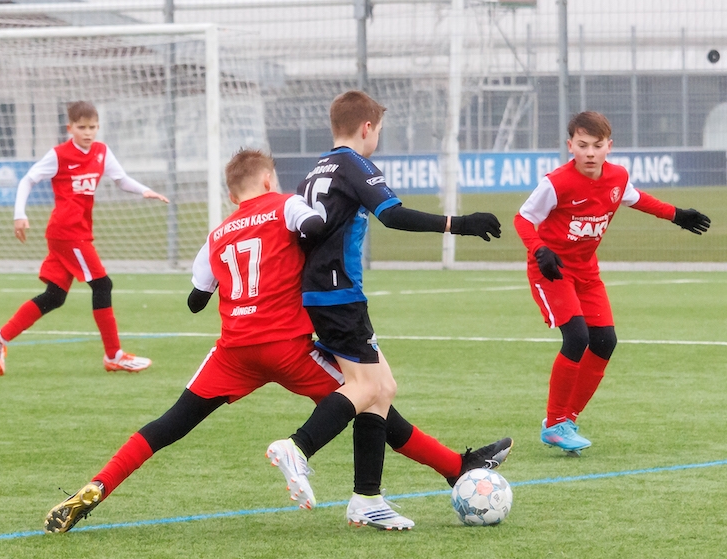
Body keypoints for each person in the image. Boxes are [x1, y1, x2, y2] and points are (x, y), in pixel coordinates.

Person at [45, 150, 510, 533]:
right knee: (370, 397)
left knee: (170, 424)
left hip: (234, 352)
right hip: (288, 347)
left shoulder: (217, 233)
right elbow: (315, 227)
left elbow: (195, 300)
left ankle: (99, 485)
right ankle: (447, 469)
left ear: (231, 195)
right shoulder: (286, 204)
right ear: (269, 179)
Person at [271, 90, 507, 530]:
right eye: (378, 129)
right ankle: (298, 447)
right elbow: (392, 214)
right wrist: (458, 224)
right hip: (340, 294)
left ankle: (367, 499)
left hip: (320, 293)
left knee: (383, 388)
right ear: (368, 128)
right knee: (366, 387)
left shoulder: (314, 171)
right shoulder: (354, 164)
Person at [514, 111, 711, 454]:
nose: (590, 153)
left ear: (609, 146)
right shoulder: (556, 183)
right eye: (582, 145)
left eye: (597, 145)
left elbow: (636, 198)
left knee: (605, 341)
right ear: (570, 146)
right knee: (577, 337)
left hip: (587, 273)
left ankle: (566, 420)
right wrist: (539, 249)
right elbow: (523, 219)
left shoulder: (617, 177)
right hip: (552, 271)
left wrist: (677, 215)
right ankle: (555, 423)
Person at [0, 100, 169, 376]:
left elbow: (121, 179)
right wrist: (19, 214)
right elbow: (27, 180)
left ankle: (0, 337)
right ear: (70, 128)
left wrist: (144, 190)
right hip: (67, 232)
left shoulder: (102, 152)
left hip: (75, 233)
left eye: (92, 127)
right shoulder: (59, 155)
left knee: (55, 296)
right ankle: (114, 355)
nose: (88, 132)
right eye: (82, 127)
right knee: (102, 285)